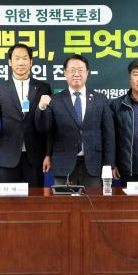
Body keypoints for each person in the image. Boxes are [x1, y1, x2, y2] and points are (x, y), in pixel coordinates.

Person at [35, 54, 115, 187]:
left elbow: (109, 134)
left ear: (87, 73)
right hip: (63, 164)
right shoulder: (55, 100)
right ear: (65, 73)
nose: (76, 74)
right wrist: (41, 108)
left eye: (80, 70)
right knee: (63, 200)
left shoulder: (100, 99)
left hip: (94, 164)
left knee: (93, 200)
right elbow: (44, 129)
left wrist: (109, 164)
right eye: (72, 70)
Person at [0, 43, 51, 187]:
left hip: (35, 156)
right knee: (8, 199)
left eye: (25, 58)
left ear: (31, 62)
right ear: (10, 62)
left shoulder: (43, 87)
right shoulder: (0, 88)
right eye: (17, 58)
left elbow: (48, 125)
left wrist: (48, 154)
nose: (21, 62)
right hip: (8, 156)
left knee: (35, 198)